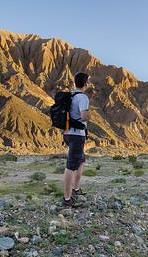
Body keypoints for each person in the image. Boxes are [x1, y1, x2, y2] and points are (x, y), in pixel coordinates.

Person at [62, 72, 91, 207]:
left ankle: (76, 189)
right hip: (77, 135)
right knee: (71, 165)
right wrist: (89, 114)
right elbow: (84, 116)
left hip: (67, 133)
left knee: (80, 160)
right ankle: (67, 198)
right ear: (86, 84)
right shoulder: (82, 97)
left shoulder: (70, 96)